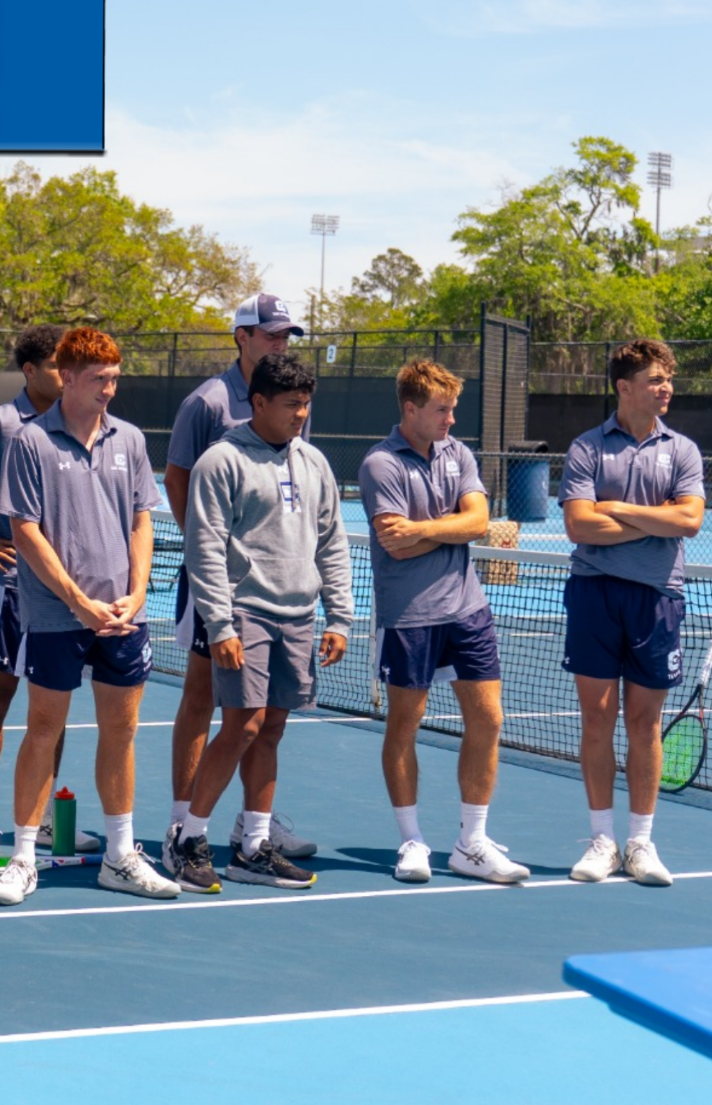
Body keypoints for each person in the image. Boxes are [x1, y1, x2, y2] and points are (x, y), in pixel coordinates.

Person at [0, 328, 178, 904]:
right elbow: (25, 530)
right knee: (43, 729)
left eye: (114, 378)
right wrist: (77, 601)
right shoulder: (29, 443)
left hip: (123, 616)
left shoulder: (132, 441)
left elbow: (144, 519)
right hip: (56, 615)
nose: (109, 390)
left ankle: (120, 856)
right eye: (99, 379)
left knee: (122, 731)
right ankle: (23, 857)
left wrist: (138, 591)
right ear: (66, 378)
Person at [167, 353, 353, 892]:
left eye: (306, 404)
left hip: (299, 615)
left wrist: (339, 616)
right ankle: (188, 838)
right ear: (260, 403)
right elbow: (204, 548)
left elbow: (332, 542)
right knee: (243, 725)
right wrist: (220, 625)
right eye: (291, 404)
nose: (300, 414)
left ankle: (253, 847)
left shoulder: (314, 463)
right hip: (243, 612)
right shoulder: (220, 461)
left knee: (271, 728)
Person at [162, 294, 319, 864]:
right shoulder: (206, 402)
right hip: (218, 588)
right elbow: (178, 481)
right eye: (271, 334)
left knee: (262, 715)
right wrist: (216, 559)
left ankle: (253, 826)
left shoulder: (295, 398)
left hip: (275, 594)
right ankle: (183, 823)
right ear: (242, 337)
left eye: (286, 335)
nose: (280, 342)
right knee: (204, 699)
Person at [360, 360, 528, 885]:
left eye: (453, 409)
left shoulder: (460, 454)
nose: (451, 419)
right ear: (410, 410)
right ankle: (412, 841)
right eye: (442, 410)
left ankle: (471, 843)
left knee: (489, 720)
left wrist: (427, 530)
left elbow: (480, 522)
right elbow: (394, 542)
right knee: (404, 725)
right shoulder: (380, 464)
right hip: (408, 616)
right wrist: (451, 530)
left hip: (468, 610)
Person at [561, 339, 704, 887]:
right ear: (624, 388)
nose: (665, 387)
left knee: (643, 723)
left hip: (658, 600)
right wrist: (656, 518)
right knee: (598, 719)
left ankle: (641, 843)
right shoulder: (586, 449)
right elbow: (578, 527)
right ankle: (602, 841)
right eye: (655, 379)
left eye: (668, 379)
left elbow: (689, 521)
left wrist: (616, 508)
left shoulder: (684, 451)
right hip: (594, 594)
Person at [0, 325, 98, 858]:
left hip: (66, 596)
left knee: (51, 709)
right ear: (30, 371)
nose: (68, 377)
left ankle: (35, 821)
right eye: (58, 367)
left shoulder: (83, 422)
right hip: (12, 590)